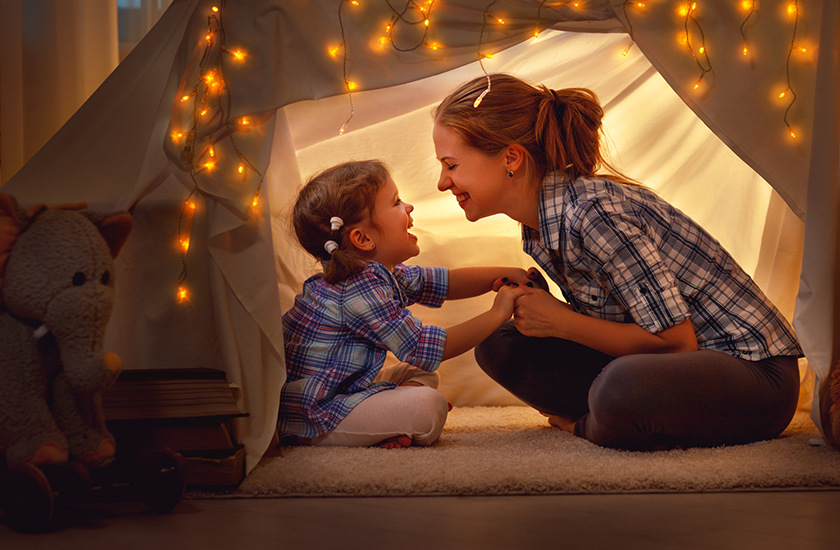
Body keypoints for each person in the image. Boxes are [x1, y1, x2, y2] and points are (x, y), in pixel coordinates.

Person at [432, 73, 803, 450]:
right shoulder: (539, 227)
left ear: (511, 158)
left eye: (451, 165)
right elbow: (622, 322)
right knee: (499, 343)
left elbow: (676, 344)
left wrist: (561, 321)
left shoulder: (594, 214)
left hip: (754, 377)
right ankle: (616, 417)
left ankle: (590, 425)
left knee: (622, 388)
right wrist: (547, 313)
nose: (442, 183)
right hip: (669, 370)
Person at [276, 160, 533, 450]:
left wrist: (504, 274)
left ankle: (389, 421)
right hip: (315, 412)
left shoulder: (377, 274)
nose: (408, 207)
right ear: (362, 239)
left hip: (342, 387)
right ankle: (373, 423)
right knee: (429, 406)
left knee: (417, 374)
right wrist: (498, 313)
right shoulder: (357, 290)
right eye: (396, 202)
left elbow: (445, 282)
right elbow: (425, 347)